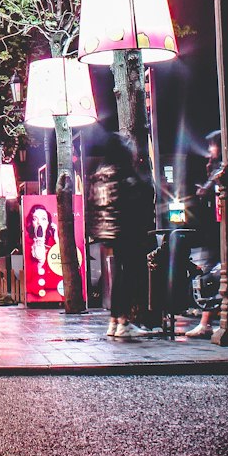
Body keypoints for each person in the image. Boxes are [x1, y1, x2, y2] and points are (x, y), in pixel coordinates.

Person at [87, 133, 152, 338]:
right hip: (128, 230)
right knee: (130, 275)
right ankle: (123, 322)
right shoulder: (125, 174)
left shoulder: (100, 175)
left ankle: (114, 321)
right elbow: (141, 197)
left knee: (119, 275)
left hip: (109, 232)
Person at [181, 130, 224, 337]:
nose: (209, 150)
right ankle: (210, 321)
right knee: (212, 275)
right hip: (212, 231)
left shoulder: (221, 169)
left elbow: (208, 192)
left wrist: (203, 190)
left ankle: (207, 322)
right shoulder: (215, 168)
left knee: (209, 276)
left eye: (212, 146)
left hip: (213, 232)